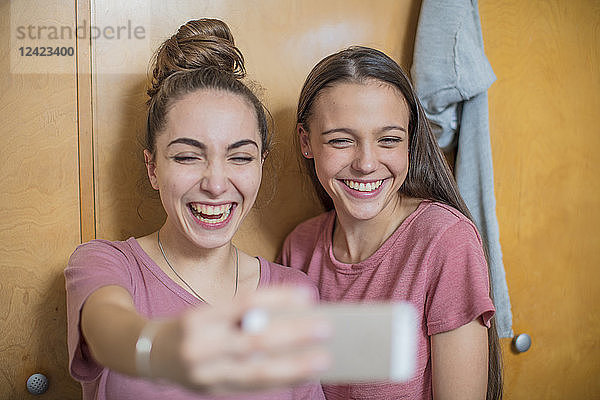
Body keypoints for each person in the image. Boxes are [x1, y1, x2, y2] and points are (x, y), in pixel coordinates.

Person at [65, 19, 330, 400]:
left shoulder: (295, 293)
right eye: (188, 156)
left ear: (261, 164)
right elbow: (111, 334)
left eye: (240, 157)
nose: (217, 183)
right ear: (153, 167)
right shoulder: (105, 264)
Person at [279, 46, 503, 400]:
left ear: (410, 142)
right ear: (307, 141)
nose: (366, 163)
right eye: (341, 140)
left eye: (388, 140)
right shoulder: (299, 248)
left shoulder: (446, 240)